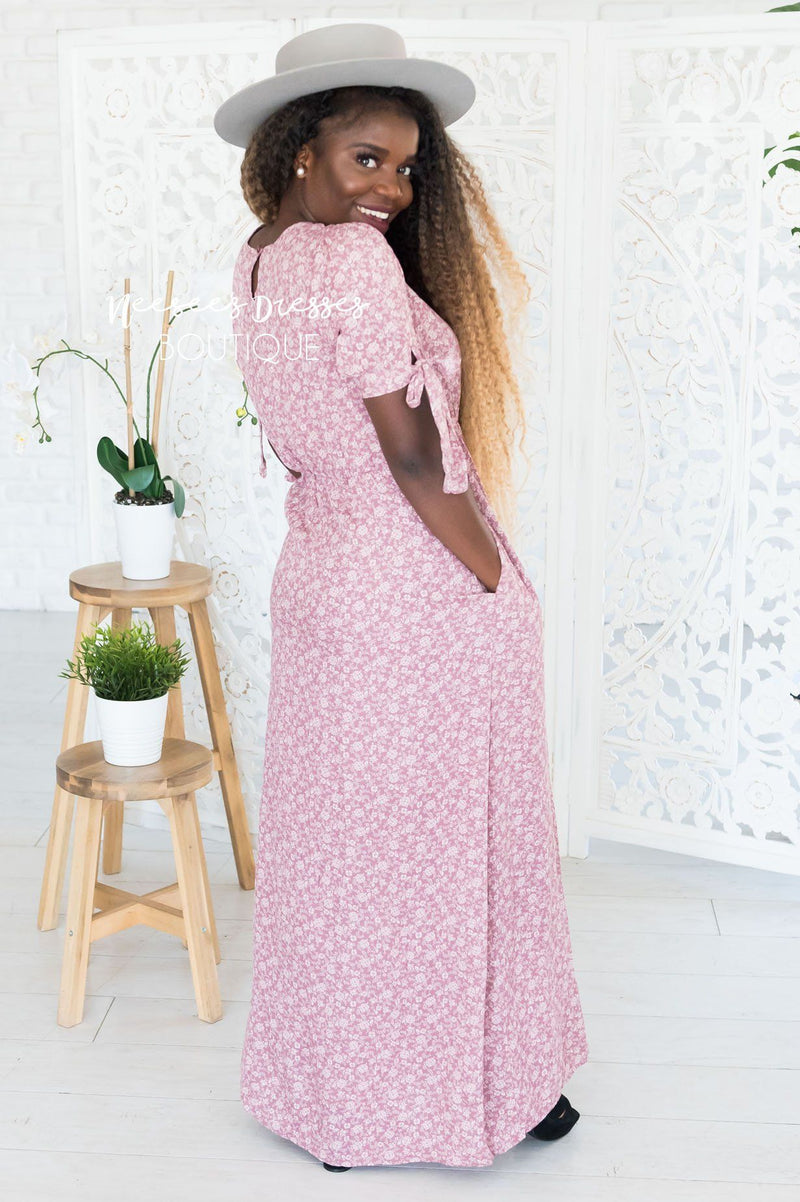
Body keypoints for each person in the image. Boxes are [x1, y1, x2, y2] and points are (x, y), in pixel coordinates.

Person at [214, 22, 589, 1172]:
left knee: (342, 849)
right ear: (300, 148)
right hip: (411, 587)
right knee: (453, 845)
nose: (390, 186)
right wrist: (494, 577)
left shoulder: (258, 261)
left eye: (406, 166)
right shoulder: (352, 265)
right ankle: (488, 1084)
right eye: (365, 157)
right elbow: (417, 458)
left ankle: (340, 1103)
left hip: (321, 578)